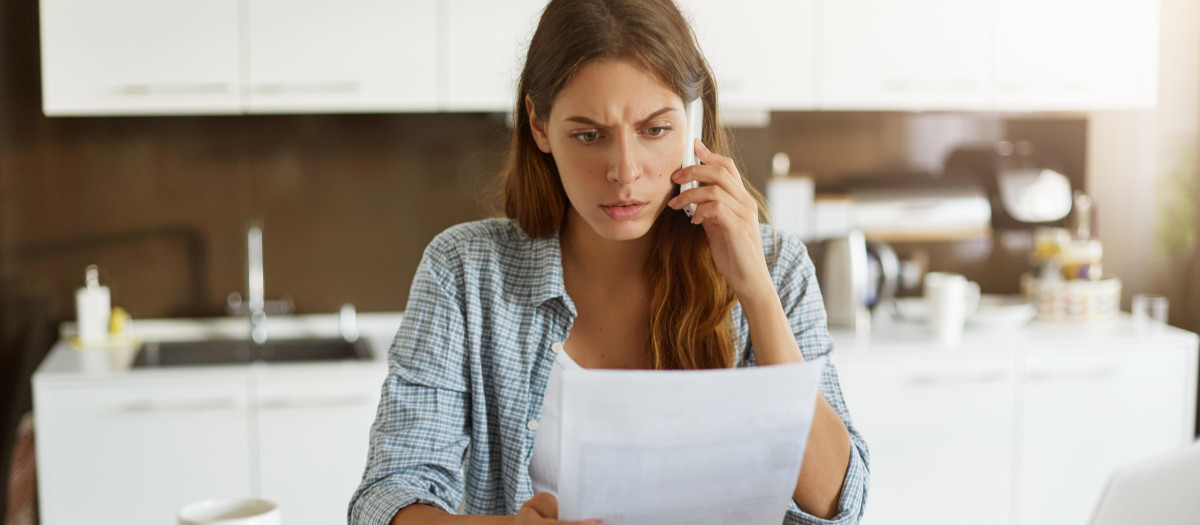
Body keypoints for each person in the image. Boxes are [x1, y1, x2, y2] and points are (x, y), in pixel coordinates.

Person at [349, 0, 869, 523]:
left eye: (655, 130)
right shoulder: (463, 271)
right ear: (539, 125)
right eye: (589, 135)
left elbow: (837, 505)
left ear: (693, 118)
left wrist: (755, 288)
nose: (624, 171)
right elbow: (385, 498)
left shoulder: (777, 265)